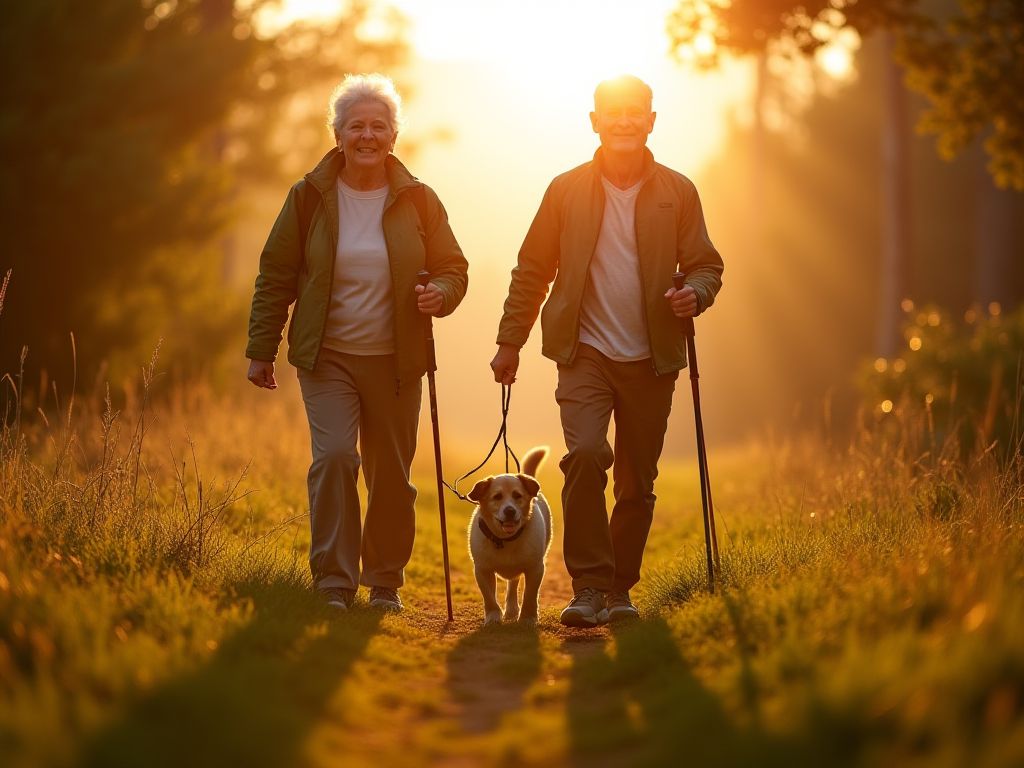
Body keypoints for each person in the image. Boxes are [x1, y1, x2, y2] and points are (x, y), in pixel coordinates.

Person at [490, 75, 723, 627]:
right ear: (594, 121)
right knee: (588, 456)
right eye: (612, 112)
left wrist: (698, 292)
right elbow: (532, 270)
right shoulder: (565, 189)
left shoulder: (677, 191)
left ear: (650, 121)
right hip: (584, 353)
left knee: (638, 483)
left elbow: (707, 264)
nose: (623, 120)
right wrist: (509, 341)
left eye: (634, 111)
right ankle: (590, 587)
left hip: (653, 358)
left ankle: (621, 590)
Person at [246, 73, 468, 612]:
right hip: (327, 357)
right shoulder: (309, 197)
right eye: (355, 126)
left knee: (390, 476)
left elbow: (453, 268)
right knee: (337, 459)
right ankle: (333, 582)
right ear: (338, 133)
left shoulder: (418, 200)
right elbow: (276, 273)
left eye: (378, 125)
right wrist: (262, 347)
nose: (367, 135)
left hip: (397, 360)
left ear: (393, 136)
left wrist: (440, 293)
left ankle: (384, 582)